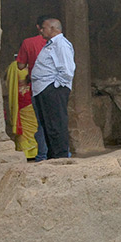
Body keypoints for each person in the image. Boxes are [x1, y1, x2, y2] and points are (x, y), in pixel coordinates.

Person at [31, 18, 75, 159]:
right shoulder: (51, 44)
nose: (41, 30)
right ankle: (53, 155)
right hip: (44, 89)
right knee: (48, 125)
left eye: (43, 28)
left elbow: (67, 70)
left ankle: (60, 156)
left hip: (53, 89)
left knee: (56, 124)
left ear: (52, 28)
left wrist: (55, 87)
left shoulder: (60, 44)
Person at [17, 15, 52, 160]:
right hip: (56, 87)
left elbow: (20, 66)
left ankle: (42, 155)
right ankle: (62, 153)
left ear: (38, 27)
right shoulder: (57, 42)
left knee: (41, 123)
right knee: (57, 121)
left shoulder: (28, 42)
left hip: (37, 88)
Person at [6, 56, 39, 159]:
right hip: (21, 98)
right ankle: (25, 151)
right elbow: (8, 79)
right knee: (24, 124)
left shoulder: (33, 64)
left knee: (35, 123)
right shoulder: (14, 66)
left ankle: (36, 150)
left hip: (33, 95)